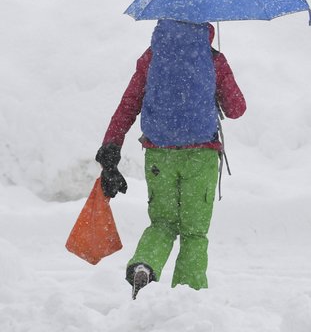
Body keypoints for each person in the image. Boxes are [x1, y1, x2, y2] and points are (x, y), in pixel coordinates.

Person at [96, 20, 246, 299]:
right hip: (200, 156)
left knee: (162, 223)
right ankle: (187, 298)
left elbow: (128, 104)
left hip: (159, 155)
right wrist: (215, 84)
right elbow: (236, 109)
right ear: (204, 25)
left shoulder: (151, 57)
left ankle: (145, 264)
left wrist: (111, 145)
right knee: (194, 232)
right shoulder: (213, 59)